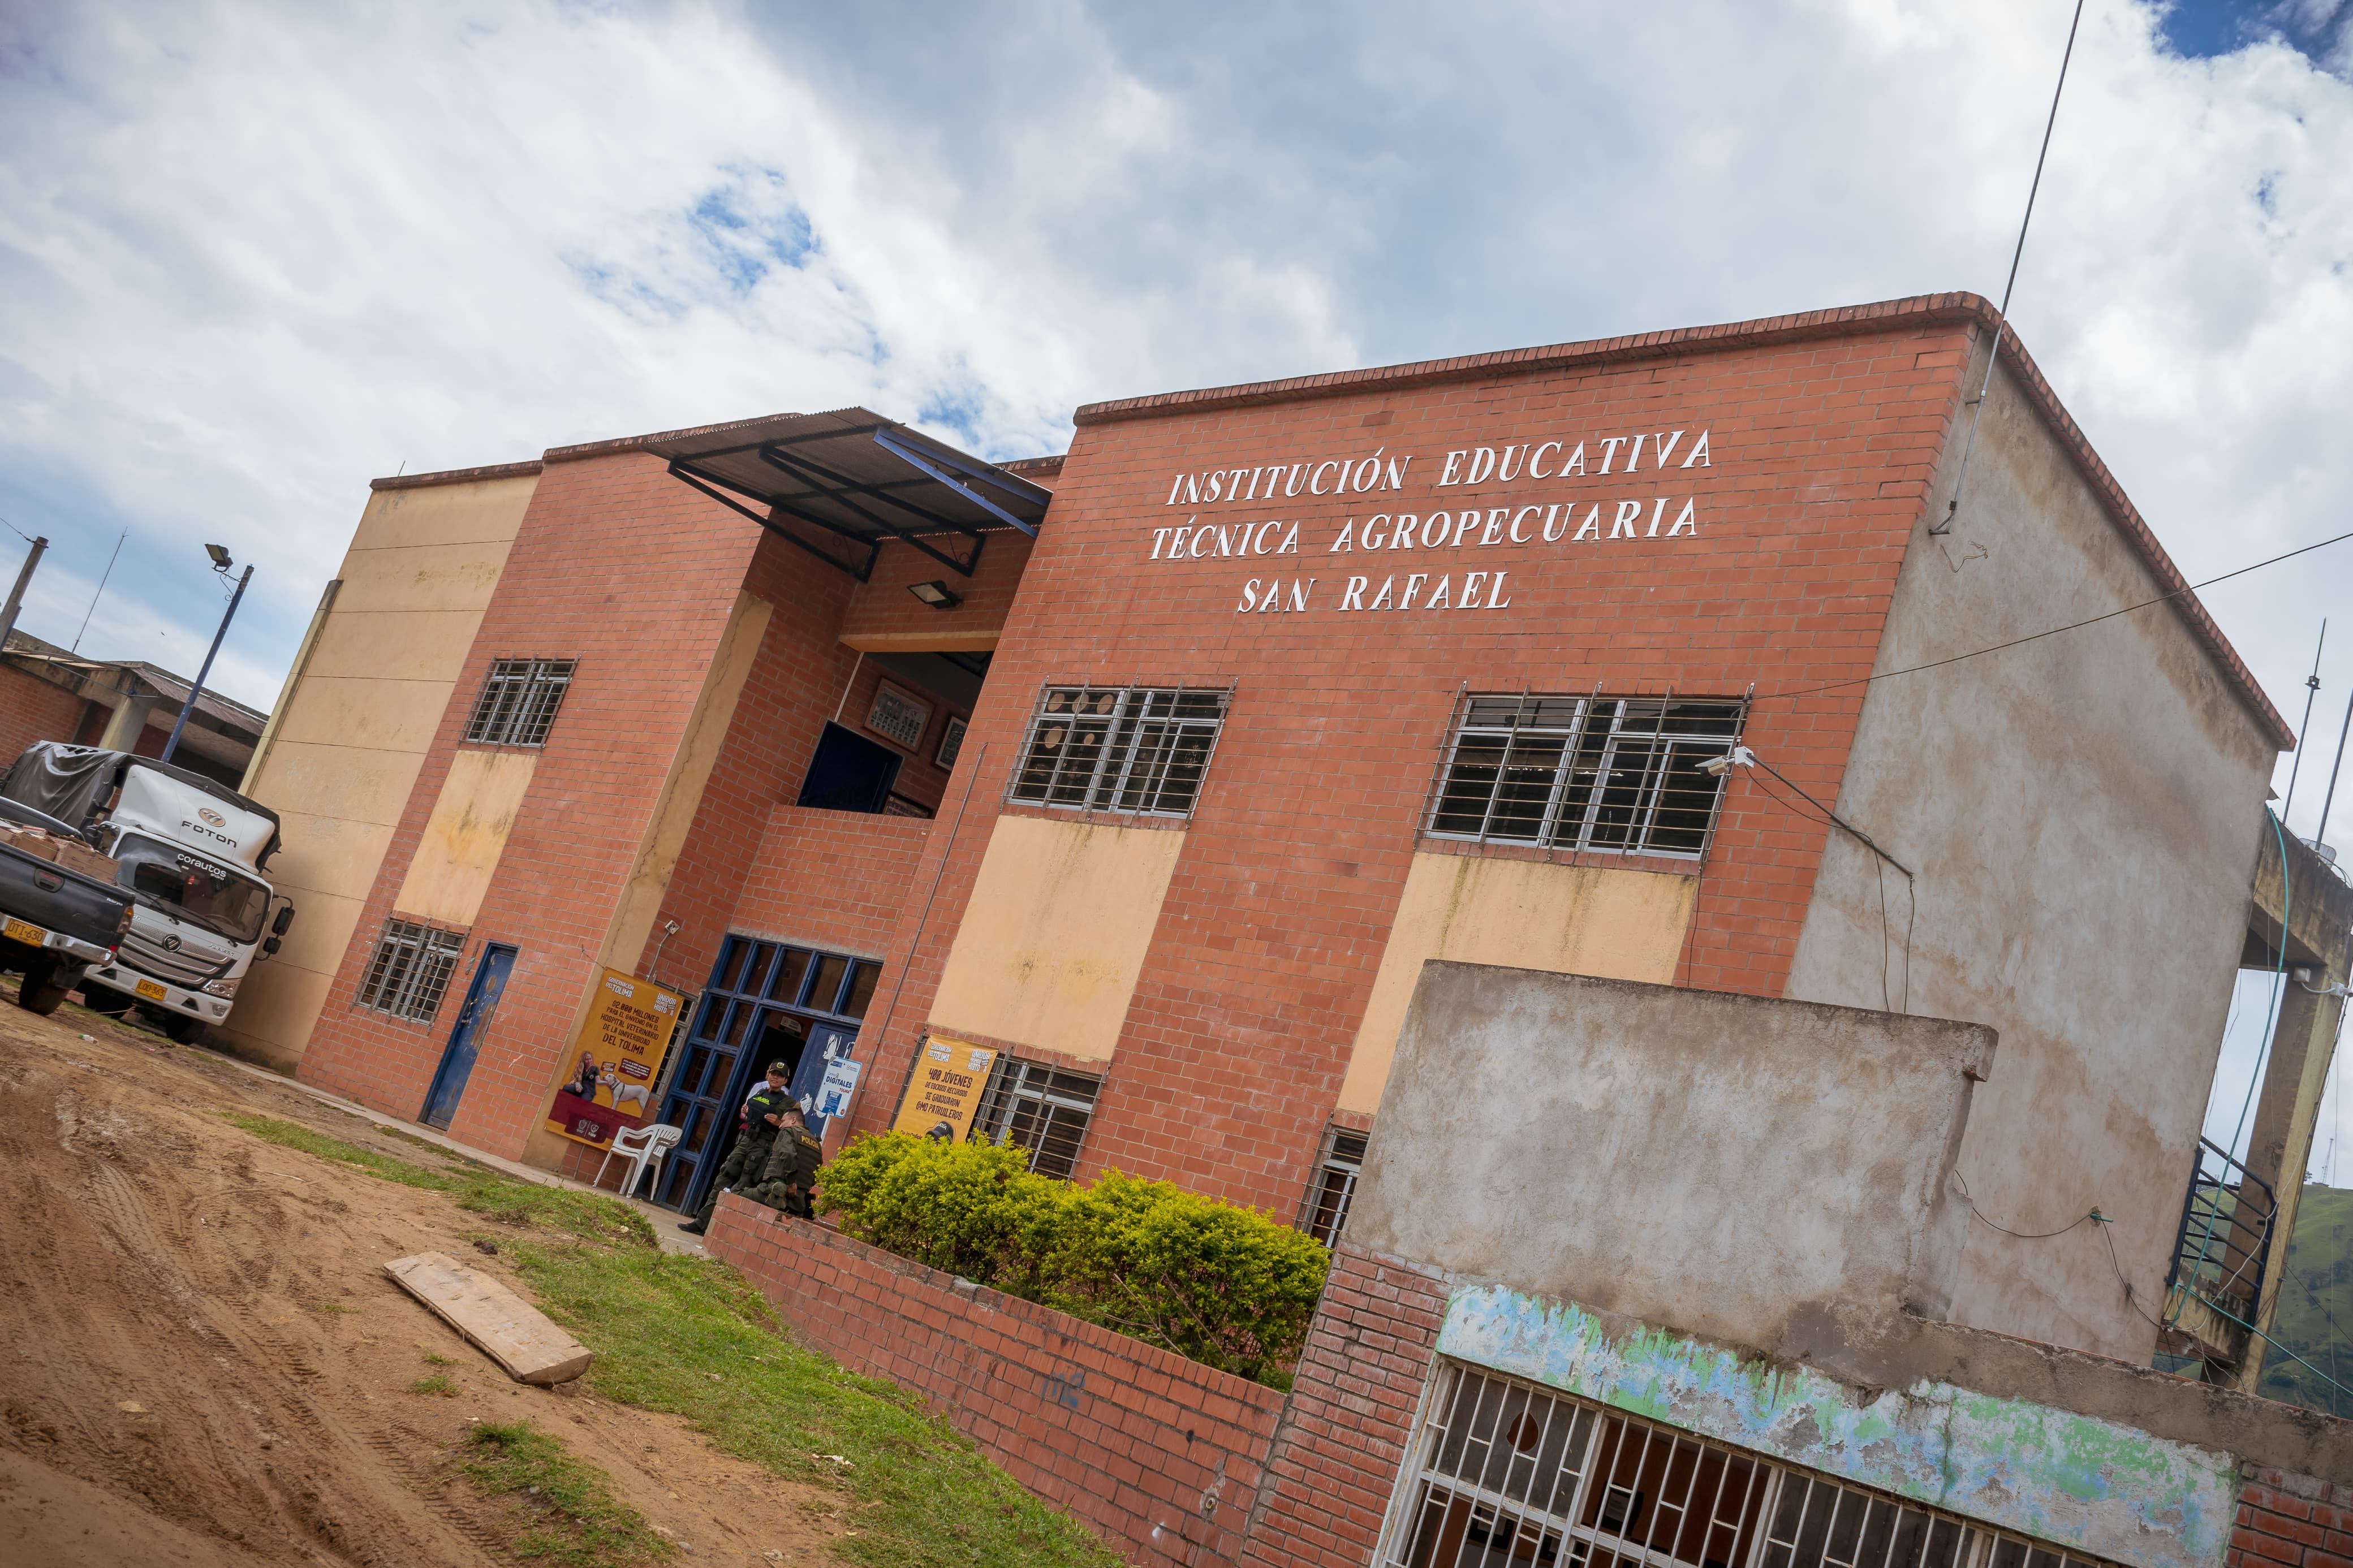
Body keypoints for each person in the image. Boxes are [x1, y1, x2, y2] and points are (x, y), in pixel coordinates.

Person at [677, 1061, 794, 1235]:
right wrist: (745, 1111)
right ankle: (702, 1224)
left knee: (743, 1187)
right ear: (768, 1075)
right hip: (746, 1140)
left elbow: (793, 1128)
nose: (775, 1077)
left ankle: (724, 1230)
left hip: (763, 1146)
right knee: (723, 1178)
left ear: (785, 1080)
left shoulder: (789, 1102)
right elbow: (745, 1115)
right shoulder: (760, 1092)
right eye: (773, 1074)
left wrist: (778, 1123)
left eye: (780, 1076)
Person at [740, 1102, 825, 1220]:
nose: (780, 1125)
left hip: (776, 1192)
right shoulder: (817, 1144)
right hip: (798, 1201)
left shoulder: (788, 1132)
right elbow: (816, 1172)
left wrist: (791, 1183)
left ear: (793, 1120)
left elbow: (788, 1154)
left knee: (735, 1195)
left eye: (783, 1121)